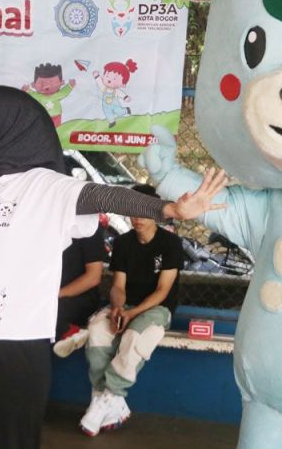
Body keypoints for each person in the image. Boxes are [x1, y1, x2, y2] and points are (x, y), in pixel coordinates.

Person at [0, 85, 226, 449]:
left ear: (6, 127)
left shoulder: (45, 186)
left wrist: (166, 210)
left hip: (11, 348)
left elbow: (102, 194)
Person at [79, 183, 185, 436]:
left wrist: (131, 314)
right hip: (125, 305)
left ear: (156, 213)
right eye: (132, 212)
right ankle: (106, 399)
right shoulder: (124, 243)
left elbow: (162, 292)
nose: (137, 218)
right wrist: (117, 308)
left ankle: (109, 395)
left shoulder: (170, 244)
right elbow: (118, 286)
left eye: (143, 212)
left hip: (156, 308)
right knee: (97, 330)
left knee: (134, 337)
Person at [52, 226, 105, 358]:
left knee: (48, 310)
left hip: (81, 299)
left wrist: (54, 295)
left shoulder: (90, 227)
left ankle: (70, 331)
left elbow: (93, 277)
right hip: (49, 296)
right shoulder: (49, 223)